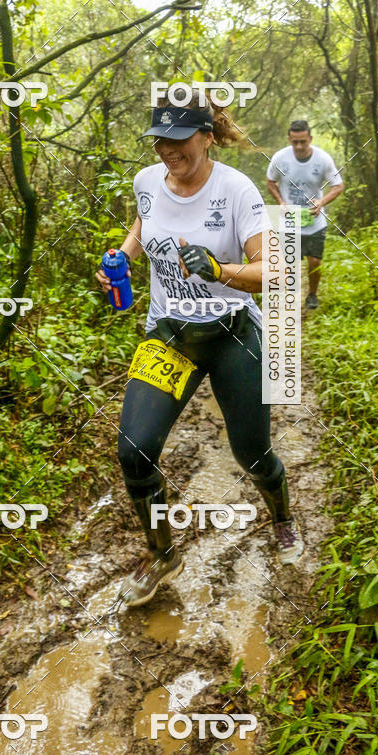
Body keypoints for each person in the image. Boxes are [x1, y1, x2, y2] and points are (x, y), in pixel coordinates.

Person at [95, 92, 304, 608]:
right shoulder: (147, 181)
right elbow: (145, 223)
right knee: (133, 450)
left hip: (232, 335)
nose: (168, 150)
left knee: (252, 455)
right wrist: (120, 259)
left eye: (179, 139)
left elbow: (275, 271)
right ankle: (163, 555)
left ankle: (282, 519)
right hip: (170, 335)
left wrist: (218, 270)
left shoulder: (236, 190)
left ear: (207, 137)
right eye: (159, 140)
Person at [266, 120, 344, 309]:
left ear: (310, 138)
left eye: (303, 141)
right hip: (289, 219)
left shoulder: (323, 159)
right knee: (289, 261)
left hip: (314, 219)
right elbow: (270, 182)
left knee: (315, 261)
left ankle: (312, 295)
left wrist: (321, 202)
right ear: (289, 139)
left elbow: (338, 186)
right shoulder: (280, 158)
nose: (299, 146)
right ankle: (291, 293)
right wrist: (281, 202)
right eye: (295, 142)